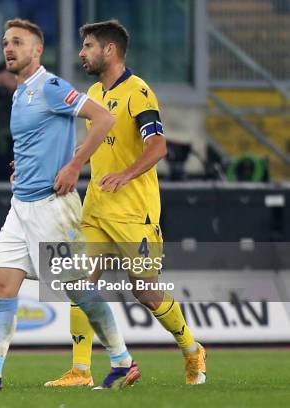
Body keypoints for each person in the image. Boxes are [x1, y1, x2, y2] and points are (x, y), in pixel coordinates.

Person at [0, 18, 139, 391]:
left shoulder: (49, 87)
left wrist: (75, 165)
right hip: (21, 205)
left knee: (78, 290)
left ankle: (122, 361)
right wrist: (25, 166)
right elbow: (39, 138)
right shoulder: (20, 93)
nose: (9, 48)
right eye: (5, 43)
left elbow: (104, 117)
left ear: (37, 50)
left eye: (17, 42)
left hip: (52, 206)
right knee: (2, 283)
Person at [45, 20, 206, 388]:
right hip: (97, 207)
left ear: (110, 50)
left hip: (134, 209)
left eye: (88, 46)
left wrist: (127, 174)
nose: (81, 53)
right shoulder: (93, 94)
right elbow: (88, 149)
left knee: (144, 289)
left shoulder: (139, 92)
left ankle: (191, 348)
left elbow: (158, 147)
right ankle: (81, 371)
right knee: (78, 279)